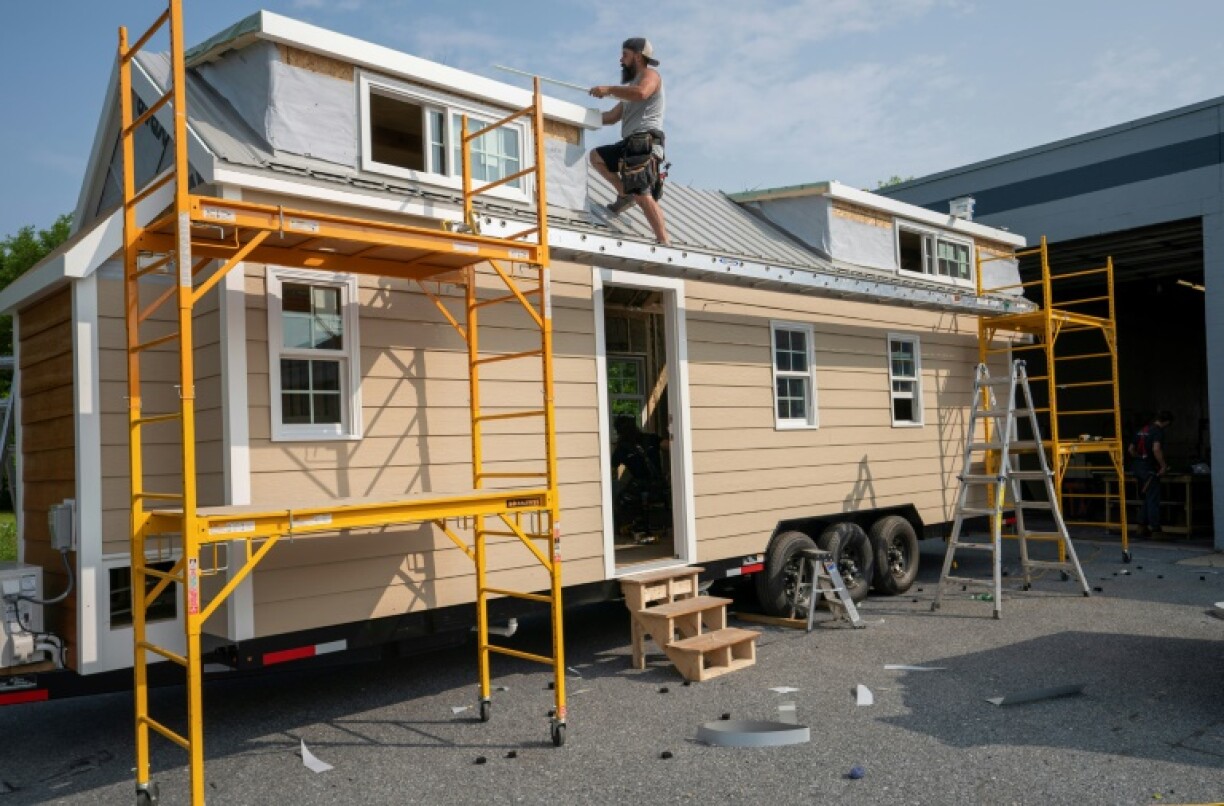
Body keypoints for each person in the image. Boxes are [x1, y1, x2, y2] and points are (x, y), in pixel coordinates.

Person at [589, 37, 670, 246]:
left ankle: (664, 240)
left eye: (625, 55)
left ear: (638, 56)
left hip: (645, 141)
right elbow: (611, 117)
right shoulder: (629, 90)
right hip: (630, 143)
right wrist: (582, 117)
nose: (621, 60)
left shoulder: (650, 76)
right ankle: (624, 194)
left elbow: (642, 93)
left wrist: (609, 89)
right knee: (596, 157)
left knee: (642, 194)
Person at [1128, 410, 1173, 538]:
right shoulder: (1158, 431)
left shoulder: (1142, 429)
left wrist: (1140, 459)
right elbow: (1156, 449)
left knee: (1148, 497)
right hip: (1149, 470)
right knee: (1153, 498)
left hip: (1137, 468)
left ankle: (1141, 526)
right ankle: (1156, 530)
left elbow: (1130, 450)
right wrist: (1163, 466)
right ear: (1167, 422)